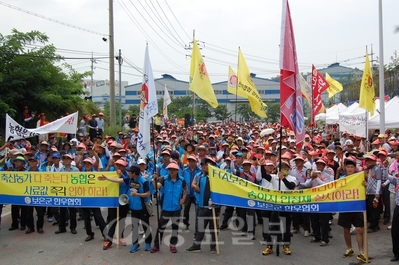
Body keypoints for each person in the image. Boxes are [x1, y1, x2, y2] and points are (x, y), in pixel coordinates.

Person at [99, 165, 152, 253]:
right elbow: (119, 180)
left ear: (134, 173)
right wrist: (106, 178)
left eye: (129, 172)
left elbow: (147, 194)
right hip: (133, 208)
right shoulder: (129, 180)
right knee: (134, 227)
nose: (128, 173)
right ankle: (135, 244)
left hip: (143, 208)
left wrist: (137, 194)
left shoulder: (144, 181)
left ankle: (148, 243)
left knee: (145, 225)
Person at [259, 159, 297, 256]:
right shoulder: (274, 177)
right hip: (275, 207)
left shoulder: (292, 178)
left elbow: (290, 186)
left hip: (286, 207)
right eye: (282, 167)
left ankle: (286, 246)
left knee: (286, 227)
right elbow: (264, 176)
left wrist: (283, 178)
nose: (284, 169)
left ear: (289, 168)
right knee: (272, 227)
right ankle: (269, 246)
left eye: (285, 167)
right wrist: (262, 166)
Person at [150, 162, 188, 253]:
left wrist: (183, 199)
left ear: (177, 170)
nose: (172, 171)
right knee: (161, 227)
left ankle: (173, 245)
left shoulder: (182, 180)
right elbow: (156, 187)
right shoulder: (164, 179)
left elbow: (186, 189)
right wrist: (154, 180)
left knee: (175, 228)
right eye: (170, 169)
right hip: (165, 208)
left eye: (174, 169)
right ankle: (156, 245)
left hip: (176, 208)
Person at [185, 157, 219, 253]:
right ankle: (196, 246)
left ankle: (213, 247)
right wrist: (195, 186)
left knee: (213, 229)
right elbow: (193, 184)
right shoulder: (199, 176)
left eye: (207, 164)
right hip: (202, 206)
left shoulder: (217, 178)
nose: (205, 166)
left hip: (213, 207)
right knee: (200, 227)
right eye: (203, 165)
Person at [338, 157, 366, 263]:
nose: (350, 169)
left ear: (355, 168)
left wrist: (365, 185)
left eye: (352, 167)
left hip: (357, 206)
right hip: (345, 205)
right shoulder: (342, 178)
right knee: (346, 228)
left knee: (359, 229)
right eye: (348, 167)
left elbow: (365, 190)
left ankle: (361, 251)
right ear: (345, 168)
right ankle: (349, 248)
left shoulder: (359, 178)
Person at [300, 159, 334, 246]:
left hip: (324, 199)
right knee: (314, 218)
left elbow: (325, 185)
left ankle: (325, 239)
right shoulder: (313, 173)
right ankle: (317, 236)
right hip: (314, 198)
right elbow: (308, 184)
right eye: (318, 164)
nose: (319, 166)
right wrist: (302, 183)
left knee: (324, 220)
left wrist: (317, 178)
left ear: (324, 165)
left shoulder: (328, 174)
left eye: (321, 164)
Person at [80, 157, 107, 242]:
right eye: (86, 164)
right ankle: (89, 234)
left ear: (92, 165)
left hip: (94, 198)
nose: (87, 165)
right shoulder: (80, 174)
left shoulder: (96, 174)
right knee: (86, 217)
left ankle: (105, 234)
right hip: (84, 198)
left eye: (89, 164)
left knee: (98, 217)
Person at [55, 154, 79, 235]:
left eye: (68, 159)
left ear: (71, 160)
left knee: (72, 211)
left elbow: (79, 181)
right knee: (62, 211)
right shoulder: (61, 170)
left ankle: (73, 228)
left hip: (72, 193)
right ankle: (62, 227)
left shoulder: (76, 170)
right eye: (64, 159)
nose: (66, 160)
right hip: (63, 193)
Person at [25, 156, 45, 234]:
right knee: (28, 213)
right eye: (30, 161)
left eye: (34, 161)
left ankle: (40, 227)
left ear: (37, 163)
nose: (32, 163)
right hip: (28, 195)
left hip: (38, 195)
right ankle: (30, 227)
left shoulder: (41, 172)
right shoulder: (25, 173)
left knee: (40, 213)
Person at [364, 154, 382, 233]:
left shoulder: (377, 168)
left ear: (374, 161)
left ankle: (373, 226)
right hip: (370, 192)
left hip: (375, 193)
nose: (368, 162)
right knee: (372, 209)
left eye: (370, 160)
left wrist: (377, 192)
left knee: (374, 209)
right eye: (367, 160)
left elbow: (379, 180)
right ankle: (375, 224)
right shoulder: (370, 169)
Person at [182, 155, 201, 231]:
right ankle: (186, 223)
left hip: (196, 193)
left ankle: (198, 224)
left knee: (198, 210)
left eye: (193, 161)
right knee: (186, 210)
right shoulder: (185, 171)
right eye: (190, 161)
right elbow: (182, 181)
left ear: (195, 162)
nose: (191, 163)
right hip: (188, 193)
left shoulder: (199, 171)